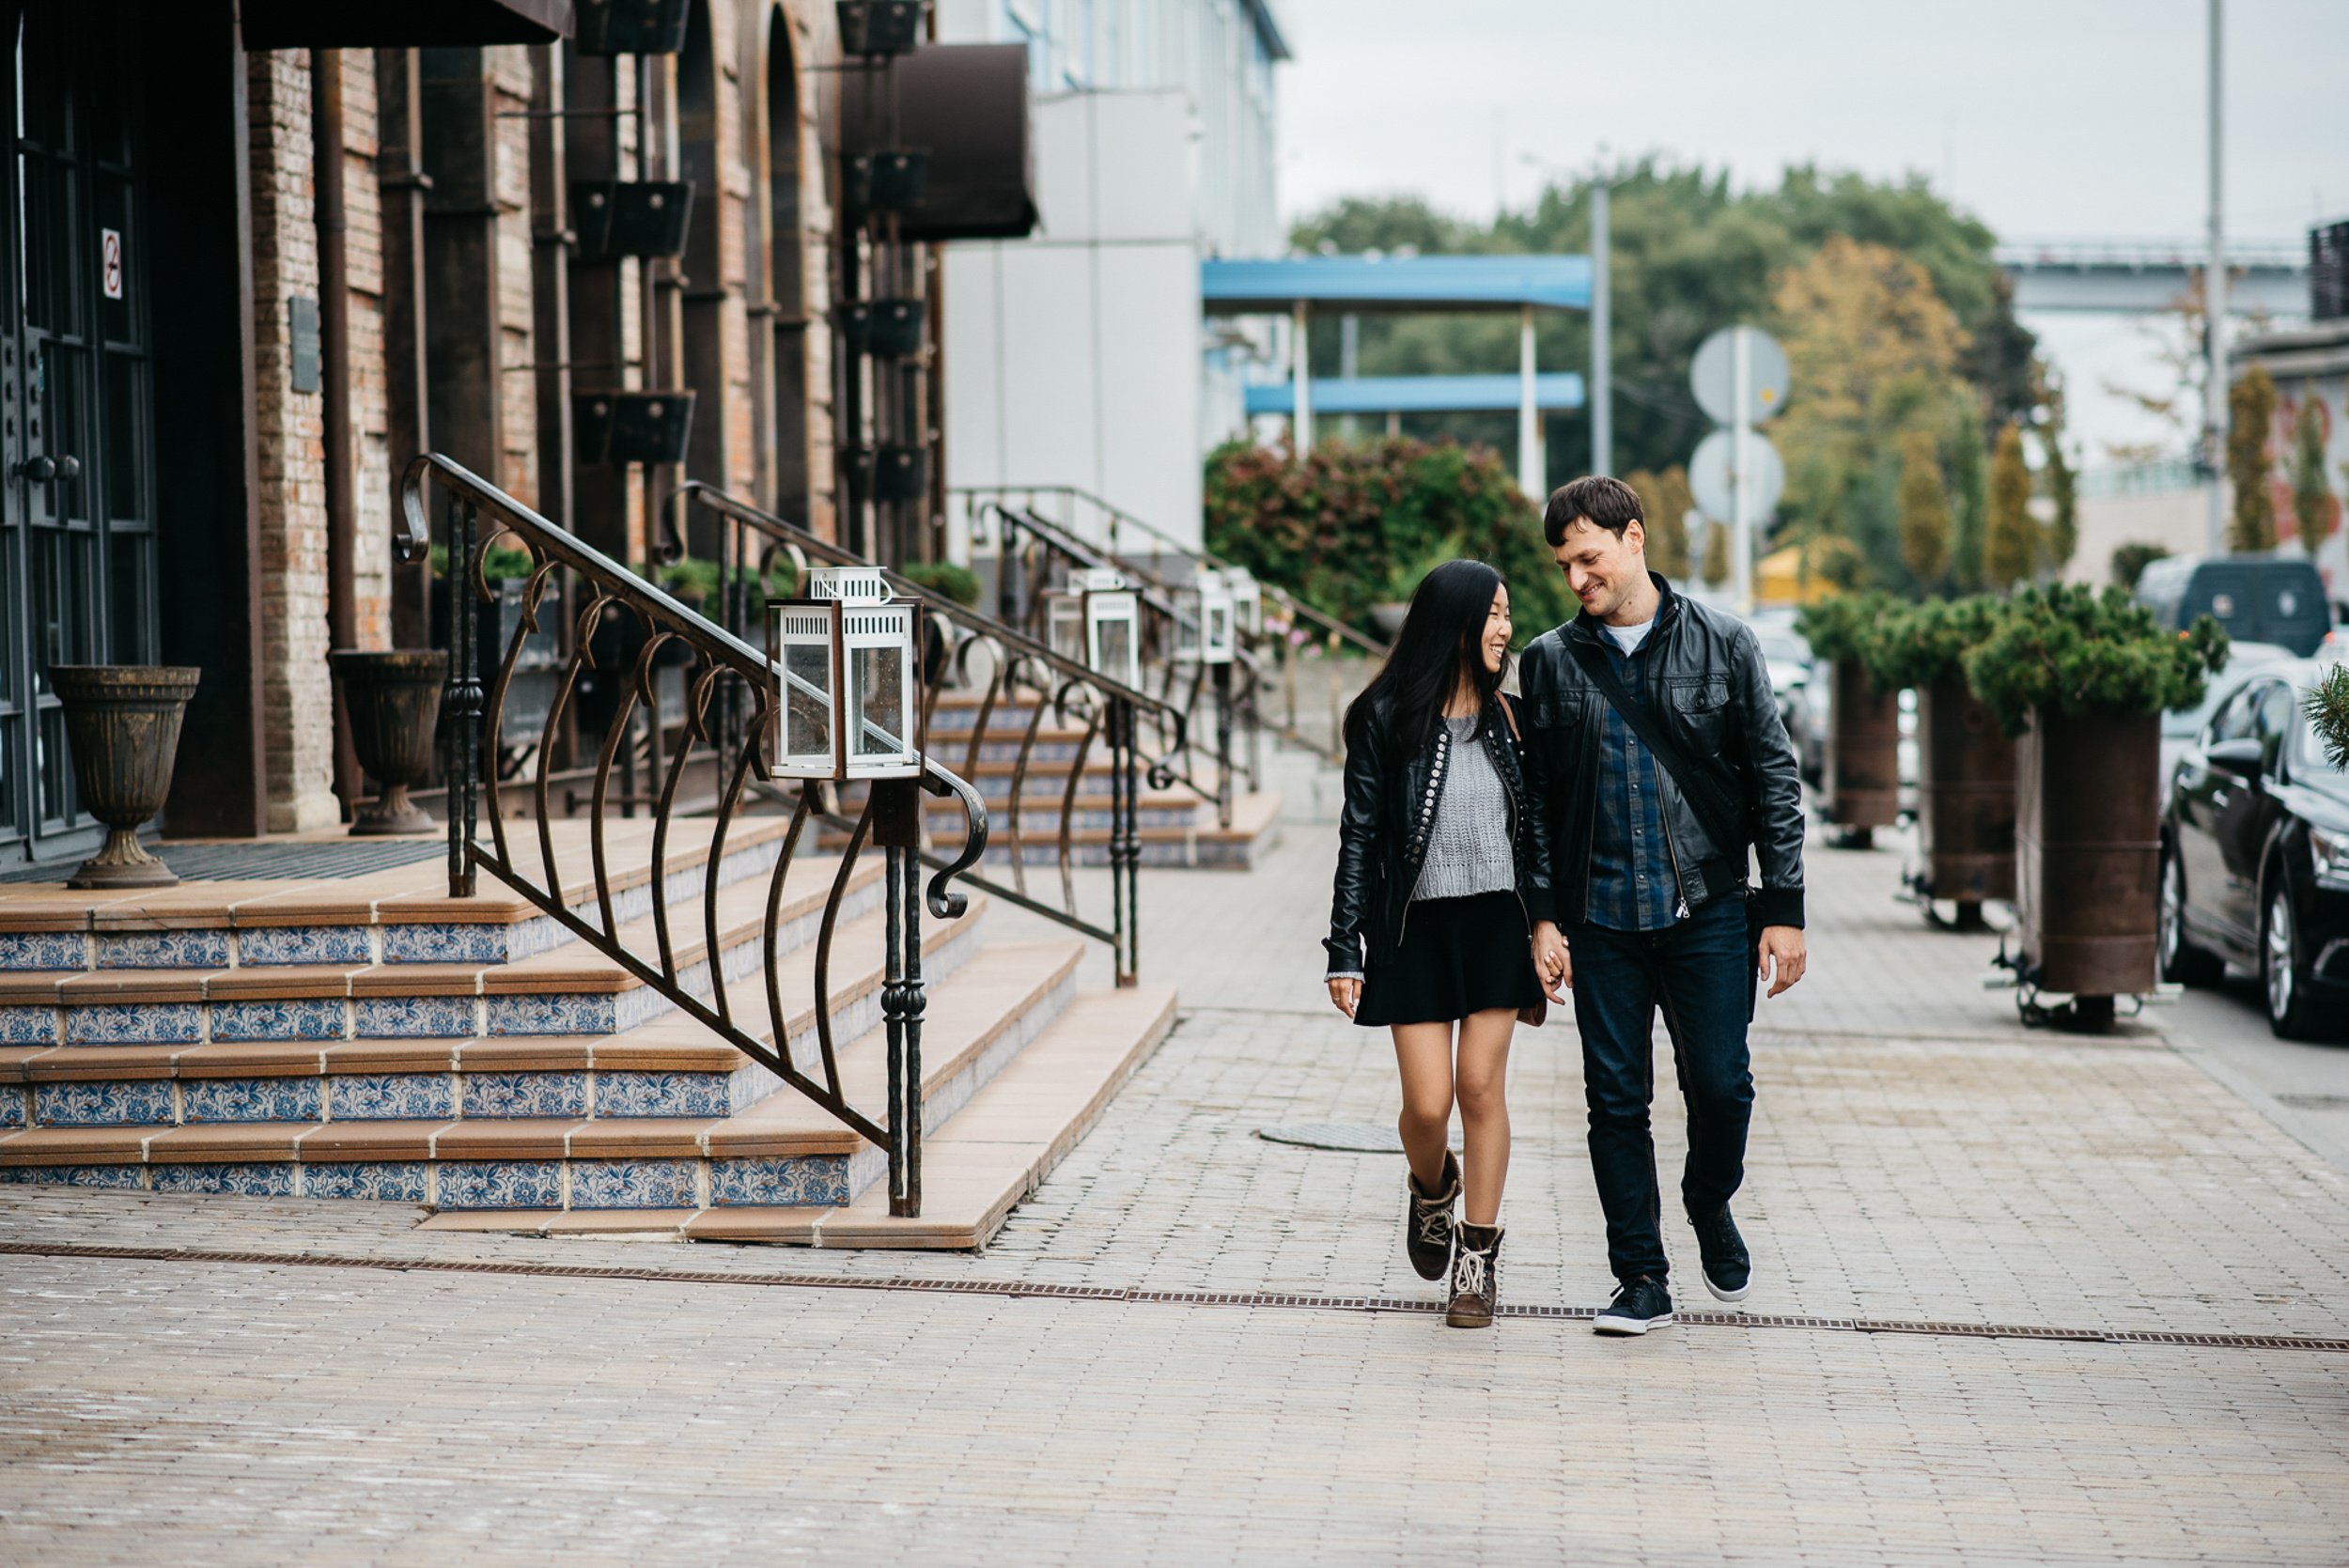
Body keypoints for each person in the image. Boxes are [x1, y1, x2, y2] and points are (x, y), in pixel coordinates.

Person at [1517, 475, 1807, 1338]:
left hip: (1709, 910)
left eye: (1589, 558)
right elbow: (1532, 802)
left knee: (1721, 1086)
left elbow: (1774, 777)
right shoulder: (1550, 660)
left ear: (1635, 537)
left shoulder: (1725, 644)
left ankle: (1707, 1197)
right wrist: (1541, 915)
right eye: (1565, 565)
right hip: (1598, 917)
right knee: (1615, 1100)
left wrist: (1784, 906)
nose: (1576, 579)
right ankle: (1639, 1274)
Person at [1326, 559, 1548, 1330]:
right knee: (1428, 1104)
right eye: (1492, 613)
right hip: (1412, 928)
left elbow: (1538, 837)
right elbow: (1359, 836)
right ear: (1452, 622)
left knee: (1480, 1089)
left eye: (1507, 613)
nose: (1504, 628)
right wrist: (1344, 945)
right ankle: (1432, 1186)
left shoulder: (1513, 720)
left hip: (1495, 925)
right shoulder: (1385, 717)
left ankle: (1476, 1259)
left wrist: (1547, 923)